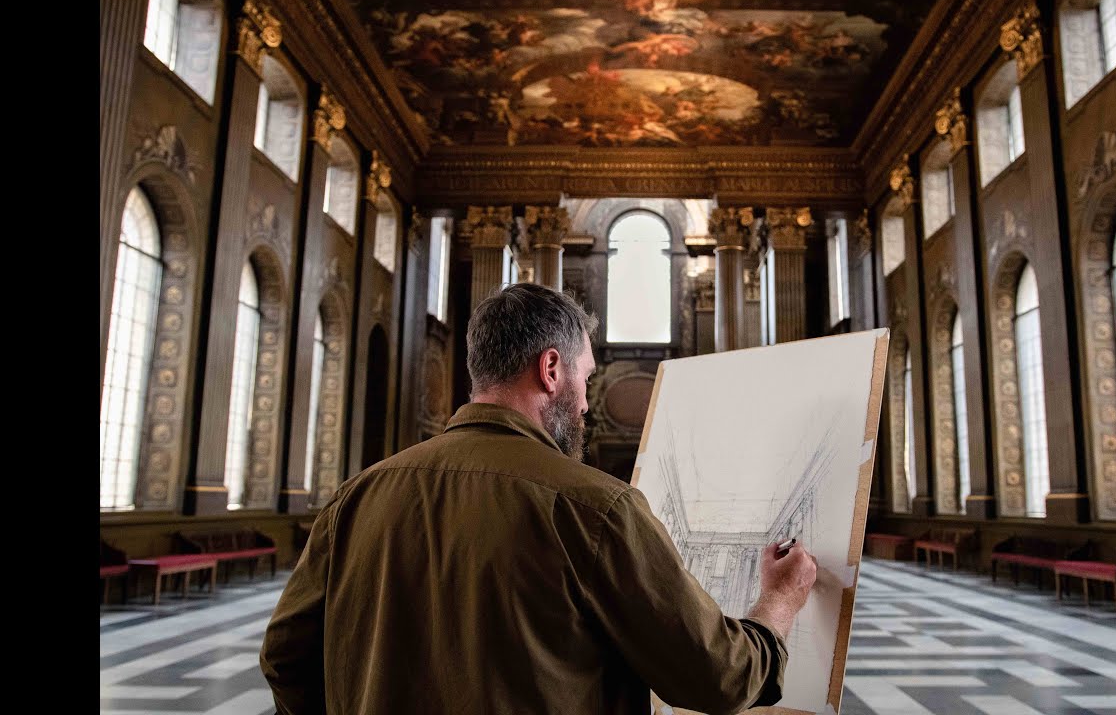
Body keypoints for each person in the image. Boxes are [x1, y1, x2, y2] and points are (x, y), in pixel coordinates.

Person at [260, 283, 818, 714]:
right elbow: (719, 676)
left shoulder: (356, 497)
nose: (585, 405)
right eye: (585, 379)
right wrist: (781, 602)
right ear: (551, 369)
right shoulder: (597, 508)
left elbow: (285, 657)